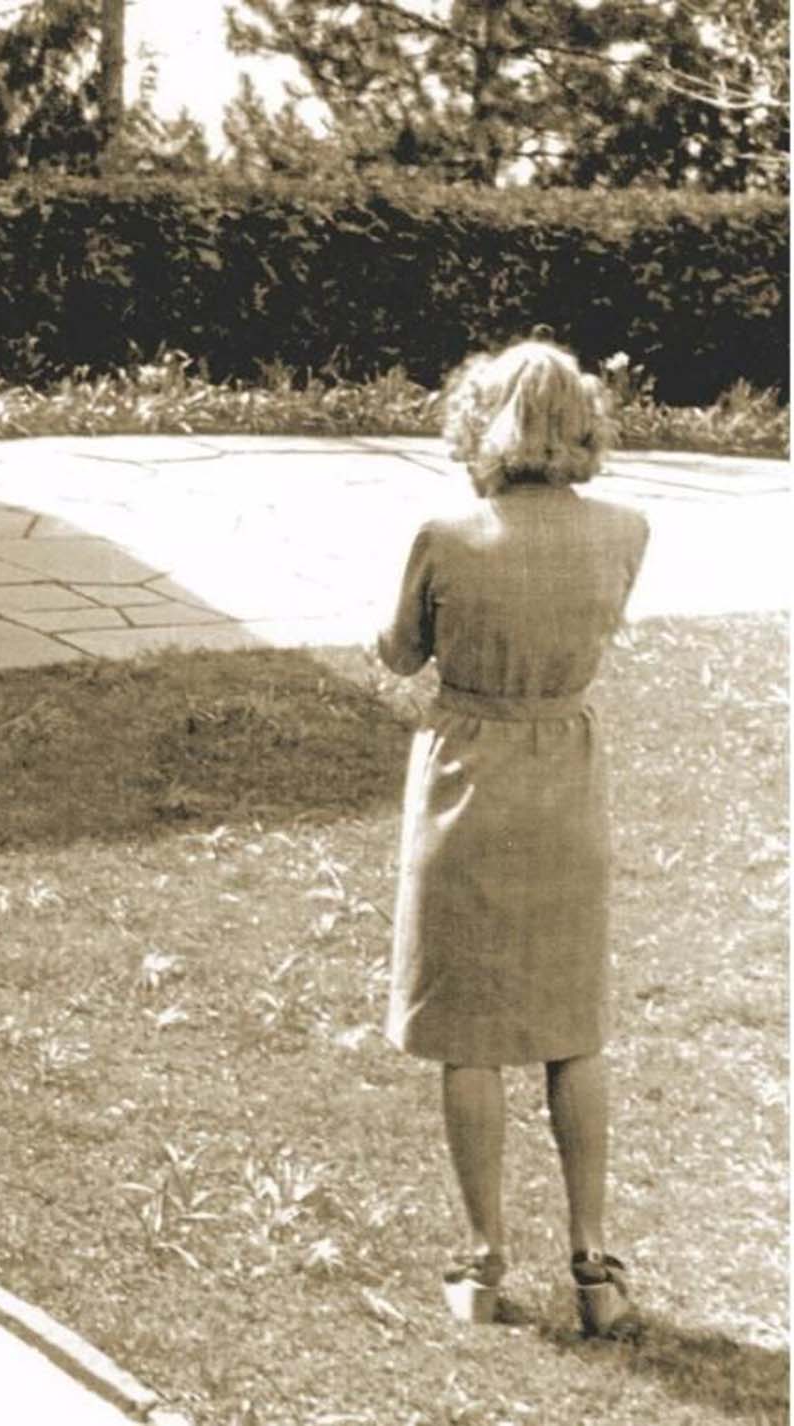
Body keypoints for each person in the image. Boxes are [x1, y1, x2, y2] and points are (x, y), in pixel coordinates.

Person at [376, 337, 649, 1334]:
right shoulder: (627, 527)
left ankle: (484, 1262)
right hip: (566, 778)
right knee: (572, 1026)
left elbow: (399, 649)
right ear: (584, 418)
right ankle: (593, 1264)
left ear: (482, 416)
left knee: (470, 1033)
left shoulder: (447, 531)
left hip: (465, 777)